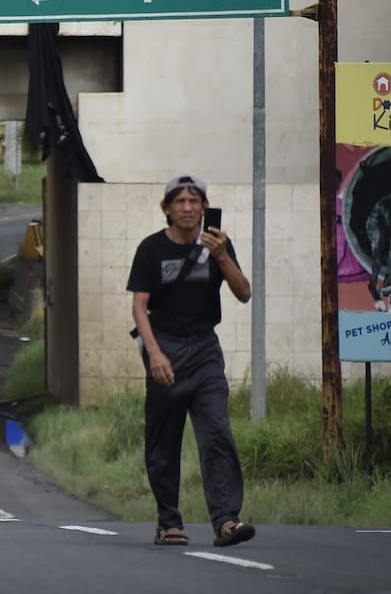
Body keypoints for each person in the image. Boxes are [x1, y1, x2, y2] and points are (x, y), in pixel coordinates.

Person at [127, 175, 255, 548]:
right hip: (165, 347)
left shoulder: (218, 244)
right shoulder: (151, 249)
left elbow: (244, 292)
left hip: (204, 351)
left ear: (204, 207)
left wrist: (220, 255)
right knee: (164, 442)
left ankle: (226, 520)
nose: (187, 207)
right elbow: (139, 305)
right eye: (179, 201)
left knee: (217, 432)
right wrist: (154, 354)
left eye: (194, 200)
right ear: (166, 208)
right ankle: (169, 522)